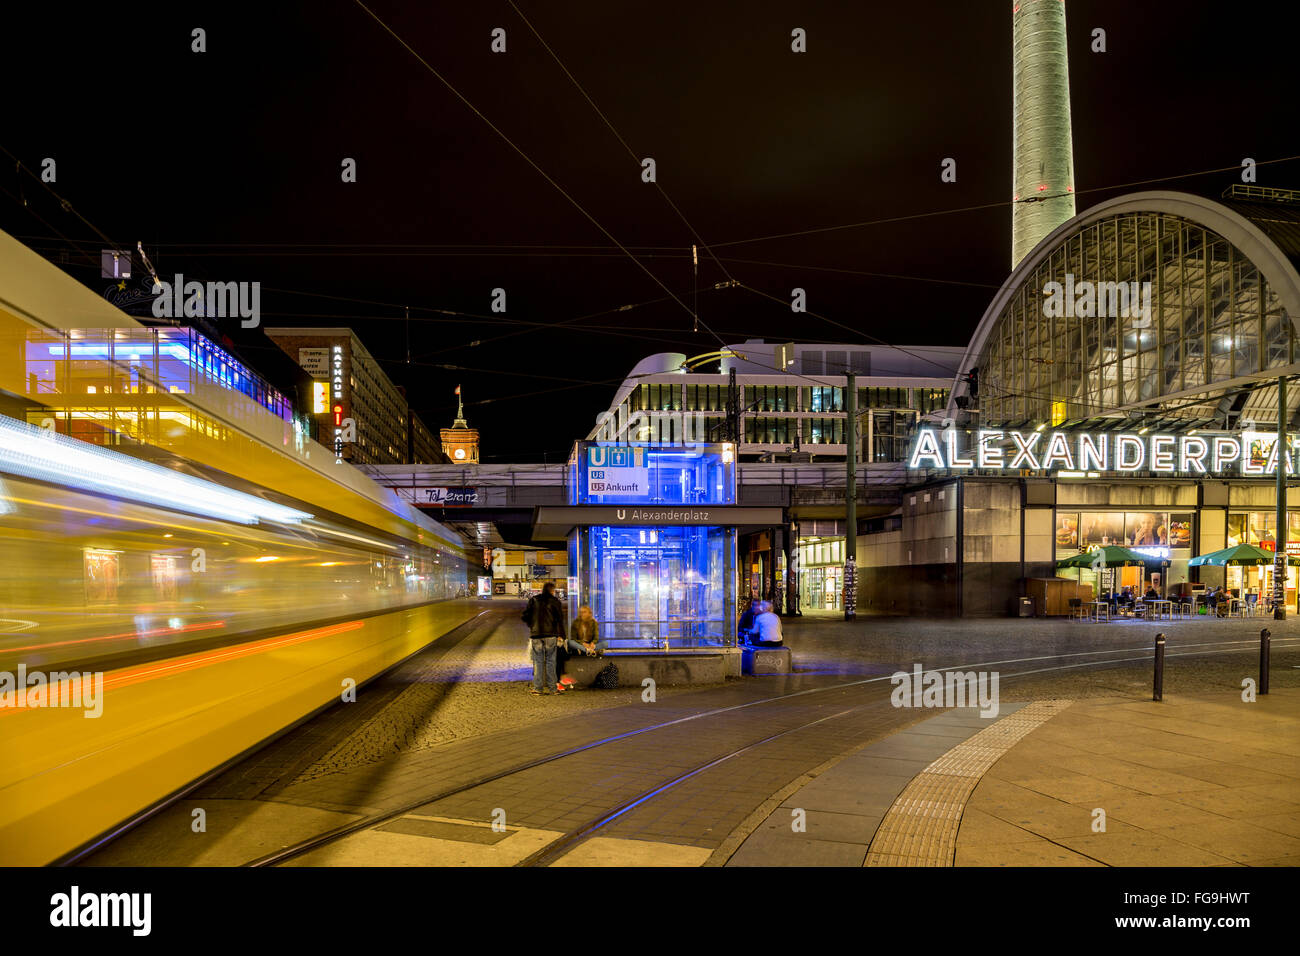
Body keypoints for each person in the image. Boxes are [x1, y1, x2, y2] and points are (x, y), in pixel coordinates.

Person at [522, 581, 567, 695]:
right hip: (551, 634)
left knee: (538, 662)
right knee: (551, 662)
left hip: (536, 635)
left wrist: (532, 626)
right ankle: (553, 688)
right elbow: (559, 619)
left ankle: (538, 688)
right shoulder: (555, 601)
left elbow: (525, 616)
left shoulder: (534, 600)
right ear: (552, 590)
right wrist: (562, 635)